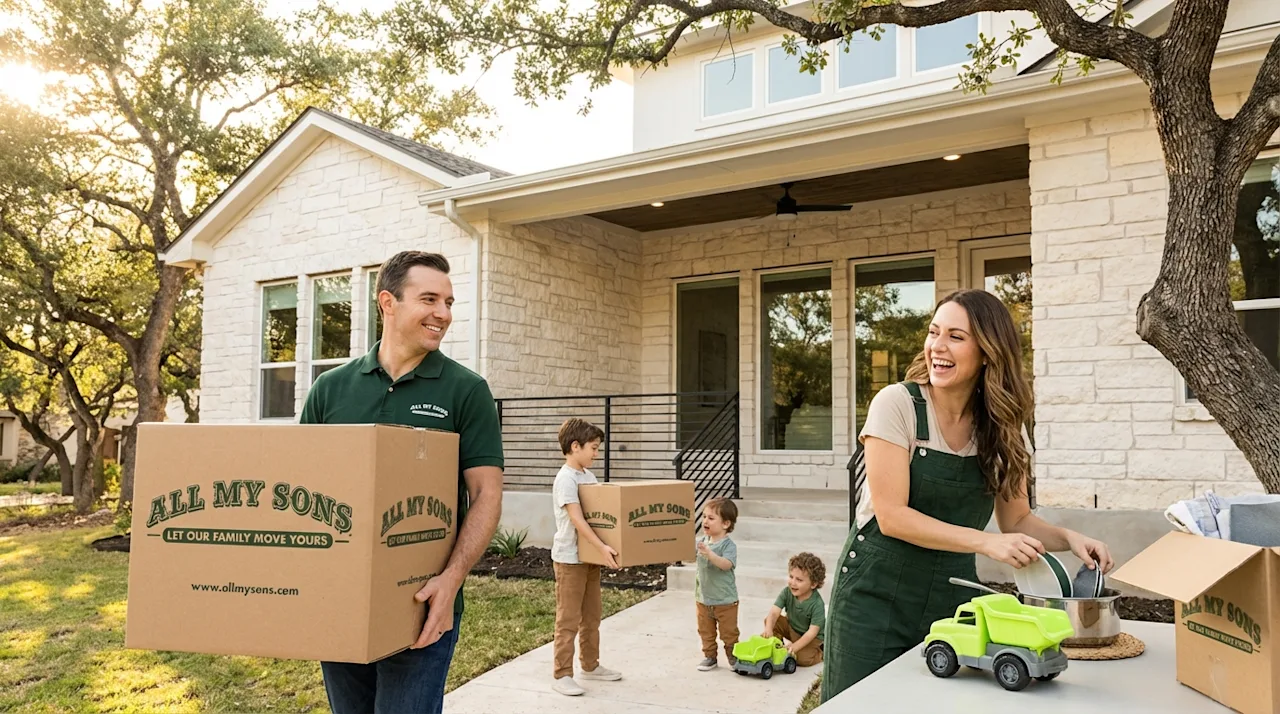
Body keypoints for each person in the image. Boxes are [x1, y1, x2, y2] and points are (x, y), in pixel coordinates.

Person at [820, 289, 1115, 704]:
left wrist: (1069, 539)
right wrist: (986, 542)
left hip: (952, 596)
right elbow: (892, 516)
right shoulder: (898, 405)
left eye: (956, 337)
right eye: (934, 332)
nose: (937, 346)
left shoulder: (1004, 427)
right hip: (875, 595)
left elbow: (1016, 521)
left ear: (988, 352)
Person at [299, 251, 505, 714]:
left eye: (449, 302)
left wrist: (451, 582)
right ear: (387, 302)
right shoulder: (330, 389)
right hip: (339, 601)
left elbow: (487, 494)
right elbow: (301, 487)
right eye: (429, 299)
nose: (444, 314)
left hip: (423, 602)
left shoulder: (465, 390)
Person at [550, 417, 624, 696]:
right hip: (570, 559)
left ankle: (590, 666)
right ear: (575, 446)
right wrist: (602, 547)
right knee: (568, 618)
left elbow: (601, 517)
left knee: (592, 616)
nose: (596, 453)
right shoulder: (566, 479)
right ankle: (561, 674)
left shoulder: (587, 477)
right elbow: (579, 520)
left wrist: (610, 548)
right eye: (593, 448)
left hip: (589, 558)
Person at [694, 497, 740, 671]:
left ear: (726, 524)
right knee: (705, 631)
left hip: (725, 601)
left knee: (729, 633)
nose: (705, 521)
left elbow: (726, 564)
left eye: (711, 518)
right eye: (704, 516)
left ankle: (733, 656)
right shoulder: (701, 542)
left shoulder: (729, 545)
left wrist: (709, 554)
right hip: (703, 599)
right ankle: (709, 656)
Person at [762, 552, 826, 667]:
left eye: (799, 580)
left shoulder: (817, 604)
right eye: (791, 577)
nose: (793, 582)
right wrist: (768, 630)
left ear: (813, 584)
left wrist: (794, 647)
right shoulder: (787, 592)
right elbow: (774, 612)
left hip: (811, 638)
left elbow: (812, 633)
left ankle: (822, 653)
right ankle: (777, 647)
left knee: (801, 660)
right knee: (769, 621)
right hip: (792, 628)